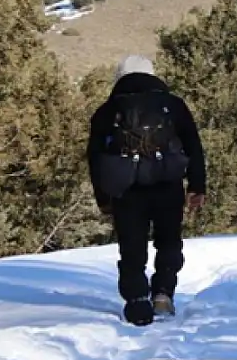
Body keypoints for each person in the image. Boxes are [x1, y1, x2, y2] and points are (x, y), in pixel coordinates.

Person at [87, 54, 206, 326]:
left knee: (132, 245)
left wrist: (103, 197)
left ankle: (137, 300)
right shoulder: (174, 105)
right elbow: (193, 146)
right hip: (168, 183)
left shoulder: (107, 110)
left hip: (126, 188)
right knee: (168, 239)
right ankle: (163, 294)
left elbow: (95, 157)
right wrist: (196, 186)